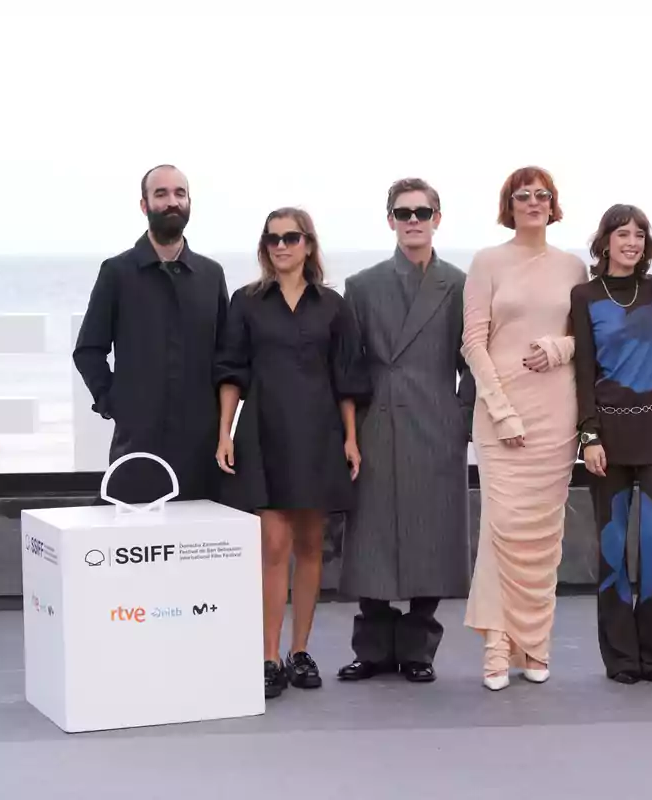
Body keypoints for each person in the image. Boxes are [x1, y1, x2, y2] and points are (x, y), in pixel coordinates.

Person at [214, 207, 364, 699]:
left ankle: (301, 653)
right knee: (273, 548)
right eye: (273, 239)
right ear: (265, 247)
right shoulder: (246, 303)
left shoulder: (334, 306)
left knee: (309, 547)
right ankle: (268, 657)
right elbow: (232, 372)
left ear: (308, 245)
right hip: (264, 432)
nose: (281, 246)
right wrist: (225, 432)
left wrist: (351, 438)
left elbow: (346, 378)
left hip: (320, 434)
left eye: (291, 238)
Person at [337, 178, 474, 684]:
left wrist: (461, 417)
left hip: (436, 424)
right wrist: (349, 432)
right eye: (403, 212)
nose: (412, 220)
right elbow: (348, 369)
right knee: (369, 535)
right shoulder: (362, 285)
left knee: (431, 537)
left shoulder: (460, 284)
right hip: (376, 424)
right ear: (389, 219)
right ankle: (371, 648)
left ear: (438, 218)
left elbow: (474, 359)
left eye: (422, 211)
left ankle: (419, 648)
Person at [461, 166, 588, 690]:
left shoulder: (574, 266)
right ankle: (496, 647)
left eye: (542, 195)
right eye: (523, 195)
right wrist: (502, 409)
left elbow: (588, 336)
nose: (533, 202)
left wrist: (560, 348)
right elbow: (473, 340)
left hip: (556, 408)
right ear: (508, 204)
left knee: (543, 535)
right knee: (501, 530)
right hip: (500, 412)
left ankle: (534, 645)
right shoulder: (487, 262)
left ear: (554, 204)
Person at [73, 164, 228, 505]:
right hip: (137, 442)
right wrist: (116, 402)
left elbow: (226, 355)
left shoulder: (210, 275)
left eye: (179, 193)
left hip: (201, 445)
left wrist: (220, 418)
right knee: (135, 544)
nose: (172, 201)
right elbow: (88, 351)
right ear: (144, 205)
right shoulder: (117, 272)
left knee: (199, 547)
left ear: (189, 203)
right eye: (161, 194)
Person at [570, 204, 652, 684]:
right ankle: (620, 657)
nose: (631, 242)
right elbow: (583, 370)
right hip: (607, 438)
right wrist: (588, 434)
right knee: (614, 550)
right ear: (605, 241)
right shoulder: (584, 295)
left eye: (639, 234)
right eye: (622, 233)